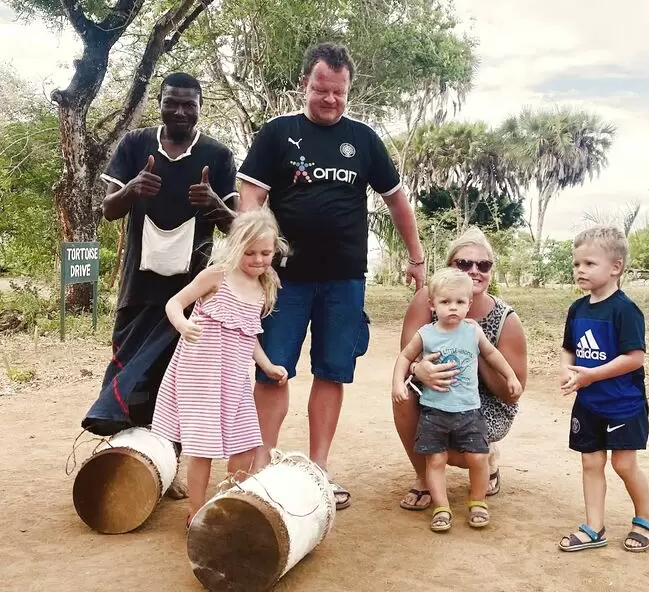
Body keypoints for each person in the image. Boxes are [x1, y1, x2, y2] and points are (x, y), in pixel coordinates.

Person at [237, 42, 425, 510]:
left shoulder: (363, 140)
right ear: (305, 83)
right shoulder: (277, 134)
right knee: (272, 372)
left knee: (332, 372)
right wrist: (244, 263)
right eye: (322, 90)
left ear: (348, 90)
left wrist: (416, 258)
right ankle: (261, 467)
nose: (330, 100)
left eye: (339, 92)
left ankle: (319, 469)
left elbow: (397, 200)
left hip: (343, 280)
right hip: (283, 280)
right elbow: (249, 202)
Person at [82, 72, 239, 438]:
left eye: (189, 105)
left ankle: (168, 459)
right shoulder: (135, 144)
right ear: (160, 104)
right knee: (131, 374)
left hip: (189, 294)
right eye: (172, 103)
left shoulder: (217, 156)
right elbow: (109, 210)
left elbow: (237, 228)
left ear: (200, 108)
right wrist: (133, 189)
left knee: (175, 379)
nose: (180, 111)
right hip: (137, 290)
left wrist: (215, 203)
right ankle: (127, 453)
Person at [151, 210, 289, 524]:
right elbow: (174, 303)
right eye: (249, 252)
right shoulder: (217, 276)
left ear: (274, 251)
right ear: (235, 247)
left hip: (235, 382)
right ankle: (196, 514)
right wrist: (183, 325)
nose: (257, 259)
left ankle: (231, 502)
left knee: (245, 444)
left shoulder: (261, 288)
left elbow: (248, 334)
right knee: (202, 449)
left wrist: (267, 366)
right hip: (200, 378)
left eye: (265, 253)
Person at [393, 227, 528, 511]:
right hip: (437, 391)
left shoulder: (505, 319)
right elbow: (406, 356)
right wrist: (419, 370)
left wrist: (471, 347)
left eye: (483, 264)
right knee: (404, 396)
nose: (474, 271)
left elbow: (511, 394)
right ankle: (423, 478)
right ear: (450, 268)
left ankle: (487, 458)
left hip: (484, 401)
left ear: (491, 270)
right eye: (464, 264)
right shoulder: (427, 300)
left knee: (468, 450)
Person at [558, 226, 649, 553]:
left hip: (623, 404)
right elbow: (569, 347)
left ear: (615, 267)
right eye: (576, 264)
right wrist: (568, 371)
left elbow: (634, 358)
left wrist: (592, 375)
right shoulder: (577, 309)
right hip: (589, 403)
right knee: (590, 463)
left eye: (589, 264)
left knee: (624, 465)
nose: (580, 271)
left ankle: (644, 518)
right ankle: (594, 527)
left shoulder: (625, 310)